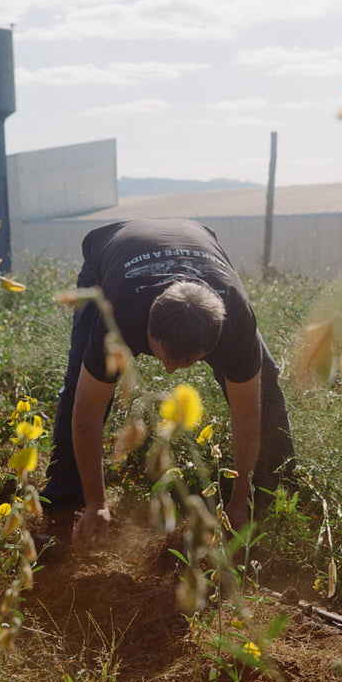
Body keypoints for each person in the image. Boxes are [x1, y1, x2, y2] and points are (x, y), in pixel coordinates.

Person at [41, 218, 296, 541]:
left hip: (200, 247)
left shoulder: (235, 320)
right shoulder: (119, 314)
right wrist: (97, 503)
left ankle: (274, 495)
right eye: (161, 357)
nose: (170, 373)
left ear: (212, 345)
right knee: (81, 380)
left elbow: (247, 413)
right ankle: (66, 499)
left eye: (184, 363)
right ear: (146, 327)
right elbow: (87, 410)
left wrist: (238, 498)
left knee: (265, 383)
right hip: (112, 253)